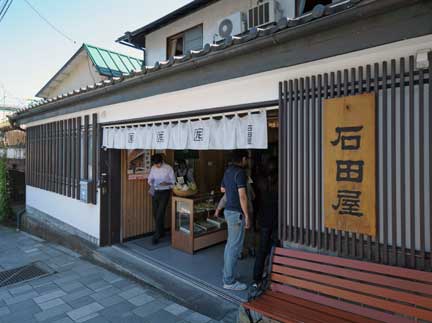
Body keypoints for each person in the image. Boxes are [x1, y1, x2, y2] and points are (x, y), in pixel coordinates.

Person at [220, 150, 250, 291]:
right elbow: (242, 196)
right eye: (246, 158)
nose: (247, 161)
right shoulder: (240, 172)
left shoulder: (228, 171)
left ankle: (228, 274)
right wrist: (247, 215)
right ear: (243, 159)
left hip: (228, 211)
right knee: (234, 247)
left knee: (230, 245)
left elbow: (222, 190)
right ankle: (229, 281)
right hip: (237, 213)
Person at [251, 156, 278, 289]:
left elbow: (256, 200)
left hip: (264, 218)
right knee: (275, 248)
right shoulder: (280, 182)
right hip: (277, 219)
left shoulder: (260, 181)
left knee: (262, 249)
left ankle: (257, 278)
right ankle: (273, 276)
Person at [147, 154, 175, 245]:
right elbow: (149, 179)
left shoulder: (168, 168)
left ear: (161, 161)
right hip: (155, 192)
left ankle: (156, 236)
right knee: (155, 213)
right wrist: (151, 181)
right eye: (155, 164)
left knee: (160, 213)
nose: (157, 166)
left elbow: (173, 183)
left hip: (165, 192)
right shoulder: (153, 168)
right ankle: (161, 232)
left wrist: (166, 183)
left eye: (158, 164)